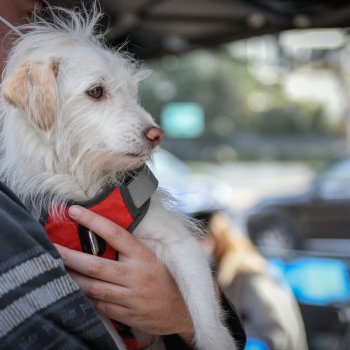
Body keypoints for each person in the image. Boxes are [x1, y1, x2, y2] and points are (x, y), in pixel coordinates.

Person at [0, 1, 246, 349]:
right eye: (97, 93)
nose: (33, 24)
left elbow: (180, 249)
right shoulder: (20, 199)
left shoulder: (126, 188)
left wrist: (187, 320)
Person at [198, 210, 308, 350]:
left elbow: (282, 337)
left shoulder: (253, 279)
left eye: (201, 239)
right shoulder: (218, 277)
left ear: (218, 238)